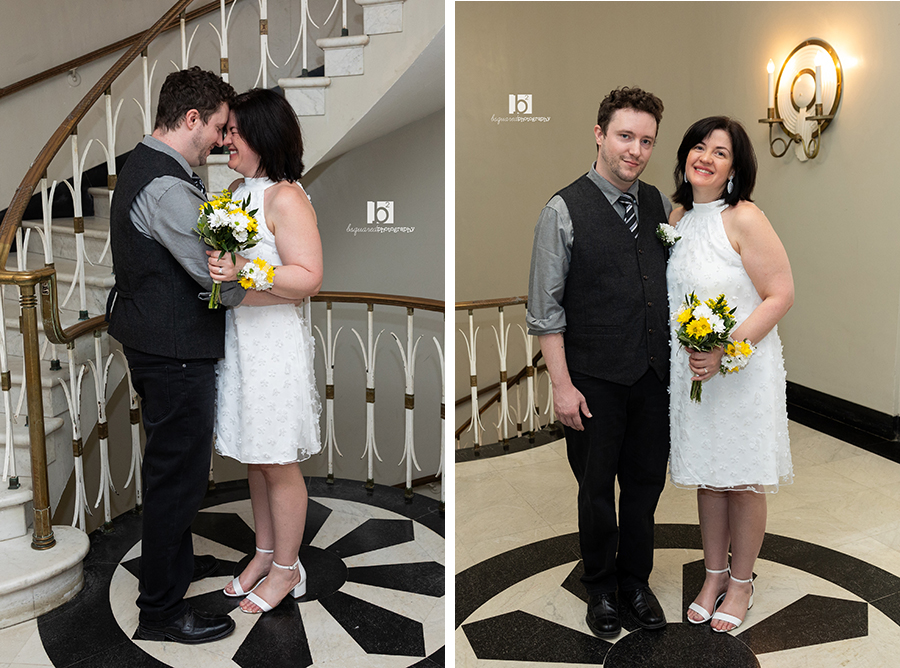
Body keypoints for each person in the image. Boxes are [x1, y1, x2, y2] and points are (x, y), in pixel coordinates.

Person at [526, 87, 672, 638]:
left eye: (646, 141)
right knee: (595, 490)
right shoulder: (562, 210)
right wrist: (562, 386)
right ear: (599, 135)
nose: (635, 150)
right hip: (592, 380)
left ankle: (636, 582)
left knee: (644, 486)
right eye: (625, 136)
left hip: (652, 376)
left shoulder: (658, 204)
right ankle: (602, 588)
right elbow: (545, 311)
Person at [666, 116, 793, 632]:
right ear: (685, 156)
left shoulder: (745, 217)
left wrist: (726, 351)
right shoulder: (677, 217)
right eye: (699, 147)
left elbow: (780, 294)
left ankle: (741, 584)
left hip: (741, 371)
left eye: (721, 152)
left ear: (734, 169)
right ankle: (713, 575)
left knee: (741, 479)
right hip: (693, 373)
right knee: (708, 476)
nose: (706, 157)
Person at [206, 88, 323, 614]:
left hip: (273, 344)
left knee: (277, 460)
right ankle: (264, 553)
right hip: (239, 341)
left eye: (234, 132)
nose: (225, 140)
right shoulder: (235, 190)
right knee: (256, 459)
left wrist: (243, 270)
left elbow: (308, 278)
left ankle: (287, 570)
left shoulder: (286, 198)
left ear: (263, 136)